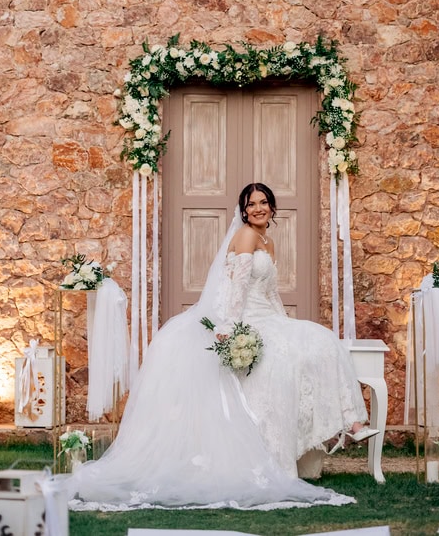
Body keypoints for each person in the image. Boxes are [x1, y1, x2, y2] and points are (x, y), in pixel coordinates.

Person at [66, 183, 376, 511]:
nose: (258, 208)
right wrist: (229, 329)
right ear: (243, 210)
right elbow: (236, 288)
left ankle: (352, 423)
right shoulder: (244, 235)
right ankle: (344, 427)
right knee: (308, 348)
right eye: (251, 204)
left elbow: (270, 293)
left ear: (272, 207)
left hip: (268, 318)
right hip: (246, 320)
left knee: (322, 341)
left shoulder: (268, 240)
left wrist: (284, 323)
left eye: (264, 202)